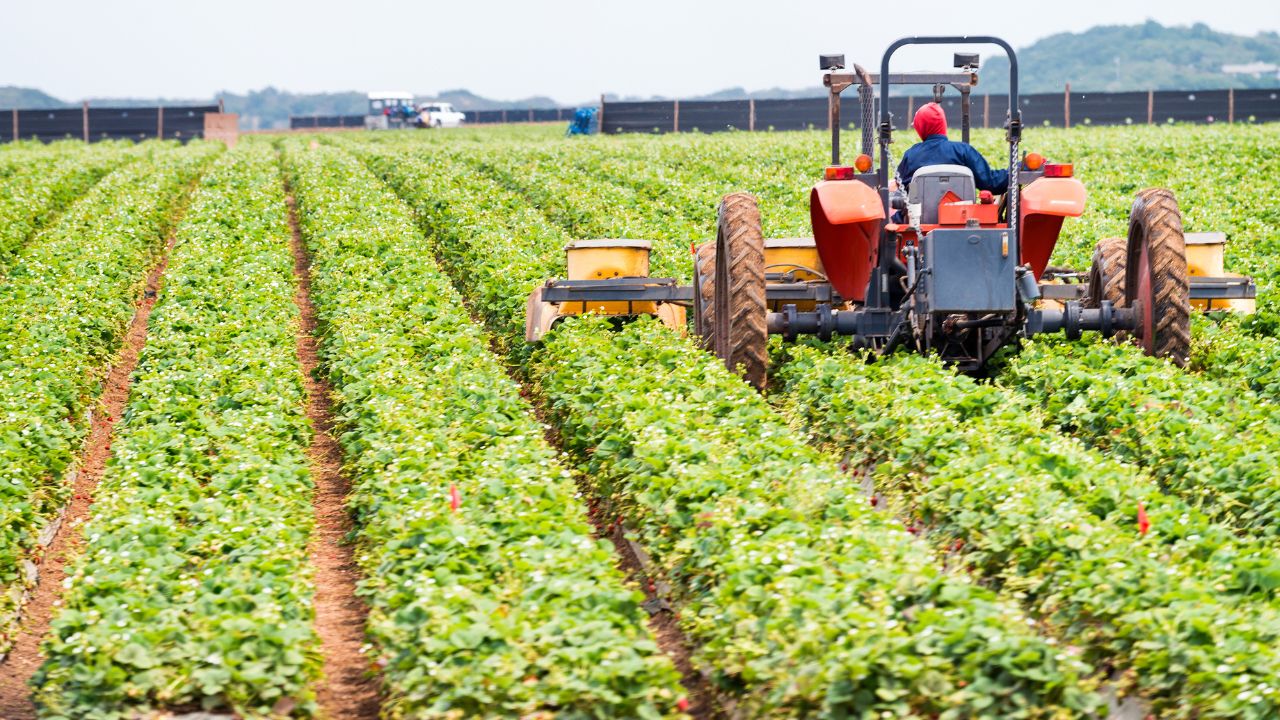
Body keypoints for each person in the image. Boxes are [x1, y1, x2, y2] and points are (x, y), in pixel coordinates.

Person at [896, 102, 1009, 193]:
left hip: (918, 219)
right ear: (943, 124)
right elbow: (991, 183)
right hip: (962, 218)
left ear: (921, 128)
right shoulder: (963, 151)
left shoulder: (911, 155)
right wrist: (1017, 168)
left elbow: (900, 186)